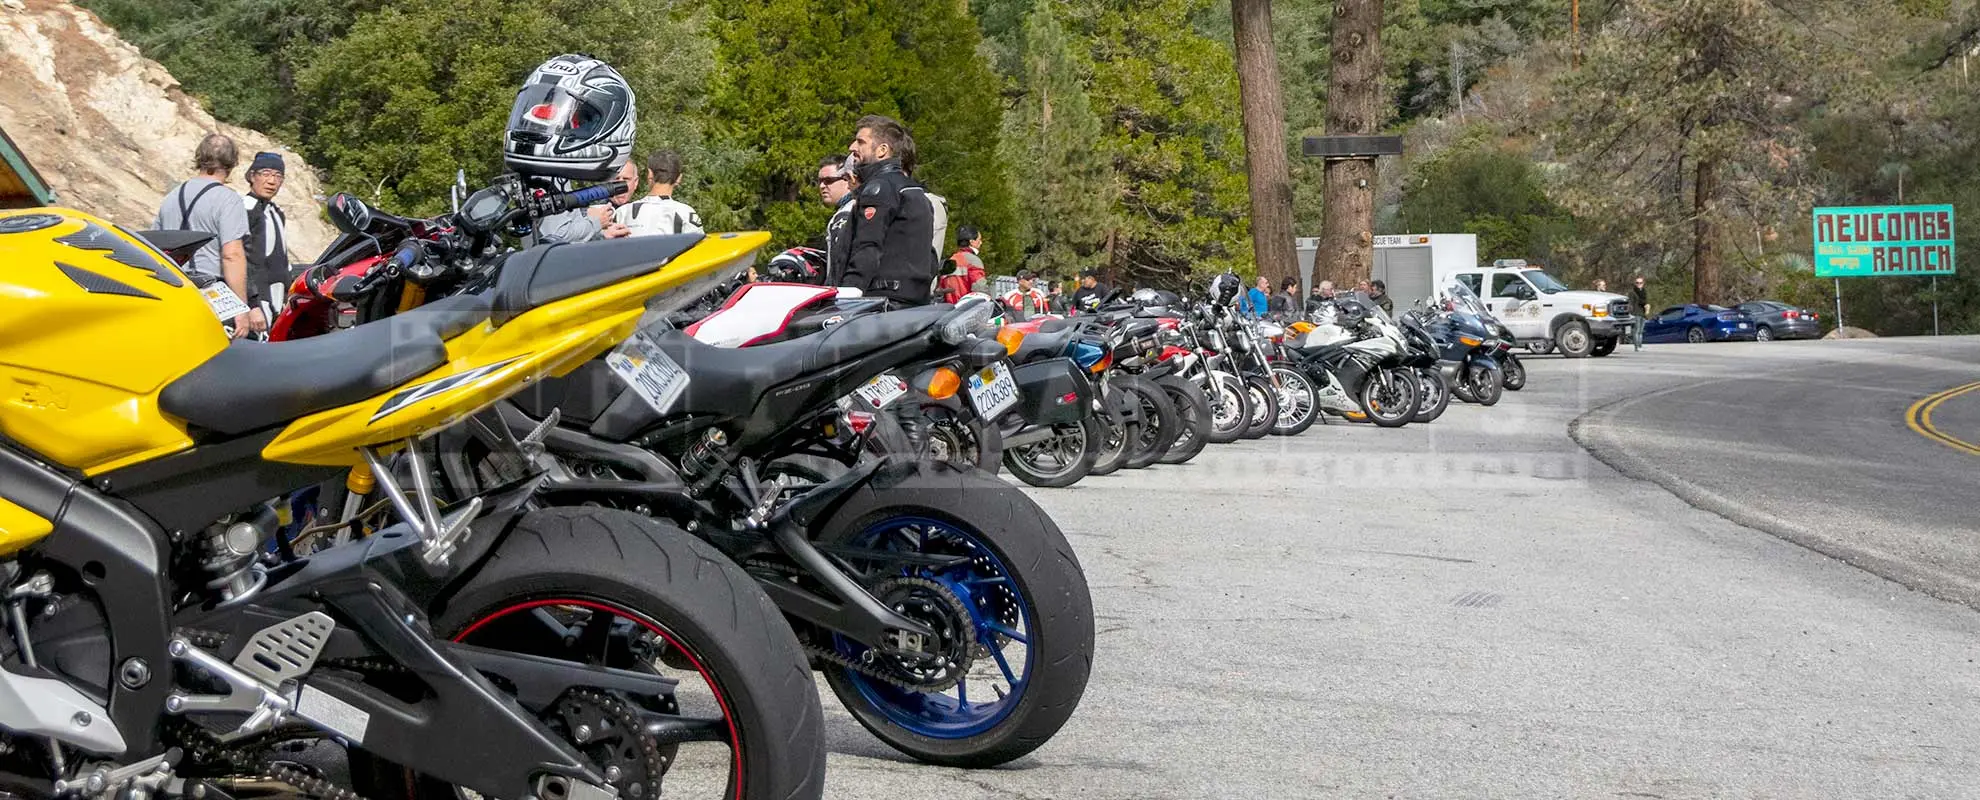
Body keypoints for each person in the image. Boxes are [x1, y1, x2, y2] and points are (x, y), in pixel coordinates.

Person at [503, 54, 638, 245]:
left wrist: (598, 232)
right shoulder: (547, 174)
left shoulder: (543, 169)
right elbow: (556, 235)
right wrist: (596, 222)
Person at [155, 133, 257, 338]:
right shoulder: (228, 199)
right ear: (232, 162)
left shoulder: (172, 197)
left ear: (199, 157)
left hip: (175, 290)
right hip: (212, 294)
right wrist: (241, 308)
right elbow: (232, 254)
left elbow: (155, 247)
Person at [844, 115, 936, 305]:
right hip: (916, 303)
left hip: (881, 304)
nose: (852, 147)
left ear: (882, 150)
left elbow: (867, 247)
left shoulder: (879, 189)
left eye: (861, 142)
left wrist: (846, 295)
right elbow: (931, 257)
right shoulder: (915, 191)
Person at [240, 151, 290, 332]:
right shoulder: (245, 209)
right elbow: (238, 259)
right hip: (257, 301)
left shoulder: (276, 212)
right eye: (266, 174)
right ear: (252, 176)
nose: (272, 181)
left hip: (278, 299)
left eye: (278, 176)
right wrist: (251, 305)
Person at [615, 150, 704, 236]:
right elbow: (699, 244)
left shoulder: (623, 212)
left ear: (650, 174)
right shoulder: (686, 213)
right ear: (679, 178)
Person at [817, 154, 856, 285]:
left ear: (847, 179)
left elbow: (839, 263)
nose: (822, 186)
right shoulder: (854, 207)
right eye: (820, 181)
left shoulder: (846, 213)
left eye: (828, 180)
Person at [940, 225, 986, 303]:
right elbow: (980, 290)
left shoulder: (950, 259)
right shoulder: (973, 260)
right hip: (965, 307)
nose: (981, 243)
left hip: (949, 307)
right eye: (979, 239)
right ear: (971, 242)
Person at [1630, 275, 1649, 351]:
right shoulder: (1632, 292)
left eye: (1640, 283)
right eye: (1637, 283)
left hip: (1643, 313)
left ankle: (1640, 346)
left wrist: (1647, 307)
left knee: (1641, 331)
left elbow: (1645, 301)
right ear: (1635, 283)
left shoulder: (1644, 291)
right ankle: (1636, 347)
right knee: (1636, 331)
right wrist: (1631, 314)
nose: (1639, 284)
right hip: (1636, 313)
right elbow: (1630, 303)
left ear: (1643, 283)